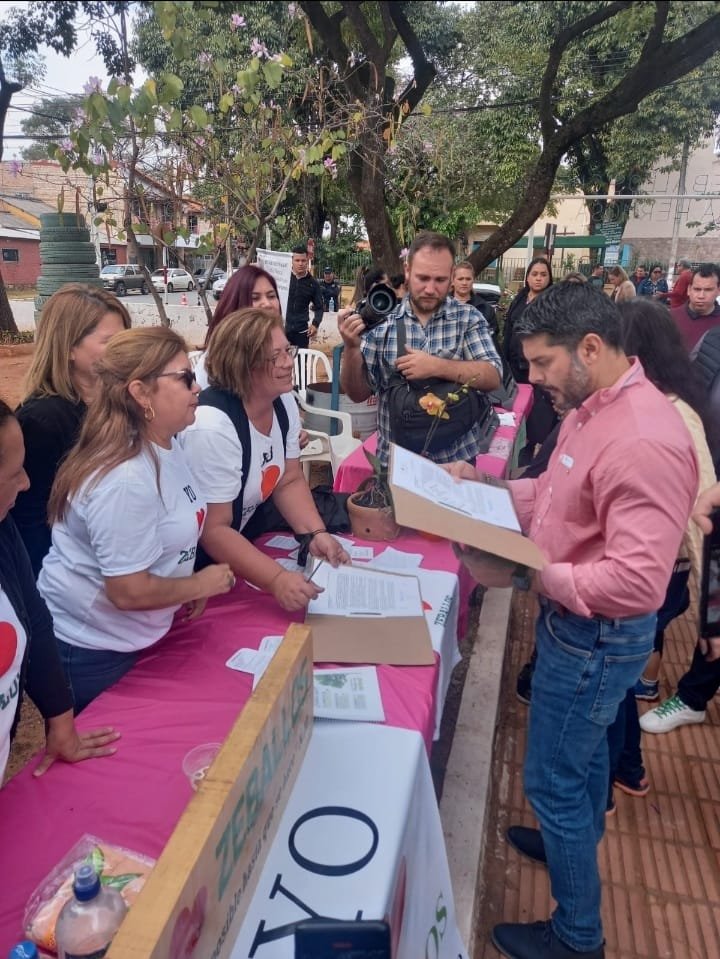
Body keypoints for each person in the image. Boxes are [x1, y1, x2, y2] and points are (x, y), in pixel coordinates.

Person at [449, 281, 698, 959]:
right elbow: (559, 492)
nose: (531, 378)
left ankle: (576, 934)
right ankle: (572, 838)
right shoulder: (592, 407)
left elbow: (636, 579)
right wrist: (495, 490)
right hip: (577, 630)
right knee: (579, 763)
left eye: (542, 363)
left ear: (590, 347)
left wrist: (530, 570)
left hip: (594, 636)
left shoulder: (644, 438)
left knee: (552, 780)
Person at [39, 328, 234, 713]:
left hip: (135, 636)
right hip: (94, 649)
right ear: (141, 392)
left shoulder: (166, 442)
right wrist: (196, 584)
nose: (198, 388)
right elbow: (127, 591)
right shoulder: (125, 479)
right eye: (185, 377)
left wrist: (179, 586)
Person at [605, 299, 714, 803]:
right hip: (646, 572)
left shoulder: (676, 418)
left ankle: (618, 773)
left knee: (617, 679)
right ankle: (628, 768)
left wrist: (711, 619)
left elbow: (703, 518)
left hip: (659, 575)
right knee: (622, 681)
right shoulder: (645, 404)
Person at [180, 308, 349, 612]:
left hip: (233, 555)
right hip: (194, 573)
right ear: (243, 365)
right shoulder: (213, 427)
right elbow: (213, 530)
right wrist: (276, 580)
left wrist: (314, 533)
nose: (288, 363)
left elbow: (289, 479)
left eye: (288, 351)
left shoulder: (282, 401)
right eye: (275, 357)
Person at [0, 398, 120, 781]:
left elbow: (33, 614)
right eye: (15, 472)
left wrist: (61, 719)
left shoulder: (3, 528)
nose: (27, 483)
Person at [338, 231, 502, 467]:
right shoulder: (382, 322)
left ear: (452, 276)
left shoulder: (468, 318)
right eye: (422, 278)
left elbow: (493, 376)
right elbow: (357, 393)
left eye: (440, 280)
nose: (430, 289)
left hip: (456, 465)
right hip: (396, 464)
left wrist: (436, 366)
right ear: (407, 271)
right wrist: (352, 349)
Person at [12, 285, 131, 576]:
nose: (125, 350)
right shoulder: (41, 421)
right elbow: (31, 523)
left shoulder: (125, 402)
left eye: (128, 339)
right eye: (111, 341)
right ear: (68, 348)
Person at [502, 257, 558, 464]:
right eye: (534, 274)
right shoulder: (520, 298)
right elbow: (509, 329)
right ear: (527, 277)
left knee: (538, 412)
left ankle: (533, 450)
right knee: (516, 409)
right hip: (514, 366)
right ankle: (516, 447)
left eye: (543, 274)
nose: (538, 279)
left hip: (539, 368)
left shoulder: (552, 302)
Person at [195, 264, 282, 389]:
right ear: (237, 305)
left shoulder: (279, 350)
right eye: (255, 298)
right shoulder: (217, 362)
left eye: (271, 296)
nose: (267, 304)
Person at [671, 263, 720, 350]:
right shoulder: (670, 317)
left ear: (718, 291)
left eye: (708, 290)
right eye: (697, 289)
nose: (701, 296)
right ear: (689, 289)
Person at [286, 245, 324, 349]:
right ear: (292, 261)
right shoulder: (284, 278)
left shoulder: (313, 284)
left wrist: (315, 324)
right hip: (282, 330)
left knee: (301, 364)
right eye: (297, 260)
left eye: (303, 260)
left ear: (307, 261)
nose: (300, 263)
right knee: (280, 364)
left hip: (302, 332)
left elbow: (319, 307)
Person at [451, 260, 499, 339]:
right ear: (452, 281)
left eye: (468, 279)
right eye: (460, 279)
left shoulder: (485, 309)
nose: (464, 283)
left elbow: (492, 340)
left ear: (473, 280)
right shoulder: (441, 307)